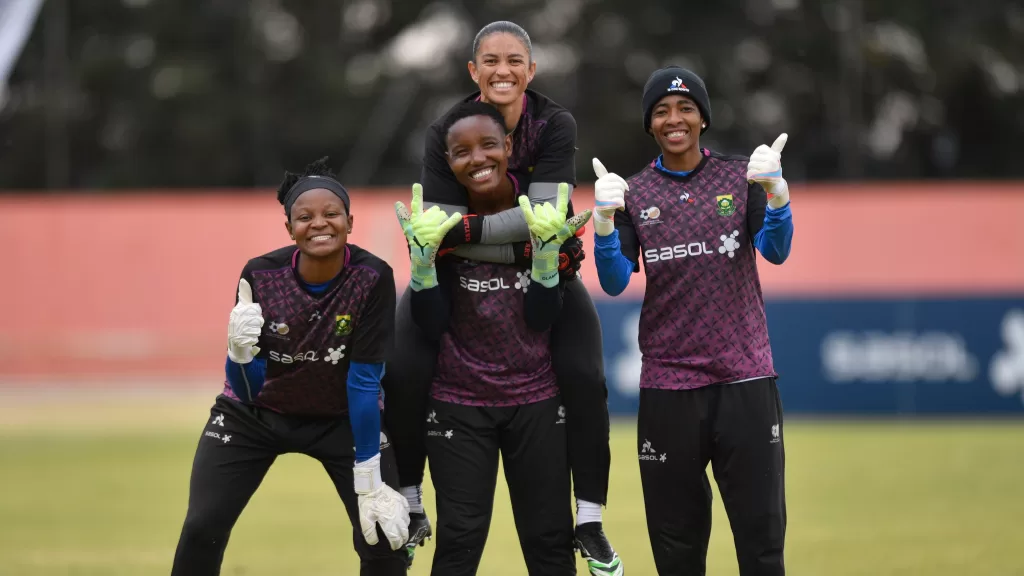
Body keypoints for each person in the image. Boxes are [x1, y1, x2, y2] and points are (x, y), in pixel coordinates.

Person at [382, 20, 621, 575]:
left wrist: (475, 238)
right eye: (490, 60)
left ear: (531, 71)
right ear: (474, 72)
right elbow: (438, 228)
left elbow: (542, 218)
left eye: (515, 60)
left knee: (586, 377)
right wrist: (525, 245)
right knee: (407, 366)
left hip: (546, 270)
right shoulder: (447, 128)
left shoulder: (554, 122)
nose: (503, 70)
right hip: (483, 266)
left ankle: (589, 516)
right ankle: (411, 497)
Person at [590, 66, 794, 576]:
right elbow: (615, 281)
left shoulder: (739, 176)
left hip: (743, 378)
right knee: (676, 550)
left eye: (685, 108)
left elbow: (775, 250)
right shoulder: (634, 193)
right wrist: (604, 225)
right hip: (669, 385)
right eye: (661, 111)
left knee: (761, 541)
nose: (673, 119)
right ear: (650, 125)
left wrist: (776, 196)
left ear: (703, 118)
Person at [170, 158, 410, 576]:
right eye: (305, 217)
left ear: (350, 222)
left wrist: (369, 471)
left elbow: (364, 379)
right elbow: (246, 389)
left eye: (331, 214)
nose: (320, 224)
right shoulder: (261, 275)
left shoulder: (373, 276)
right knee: (202, 527)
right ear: (289, 228)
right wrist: (240, 355)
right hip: (257, 415)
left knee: (384, 538)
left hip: (341, 419)